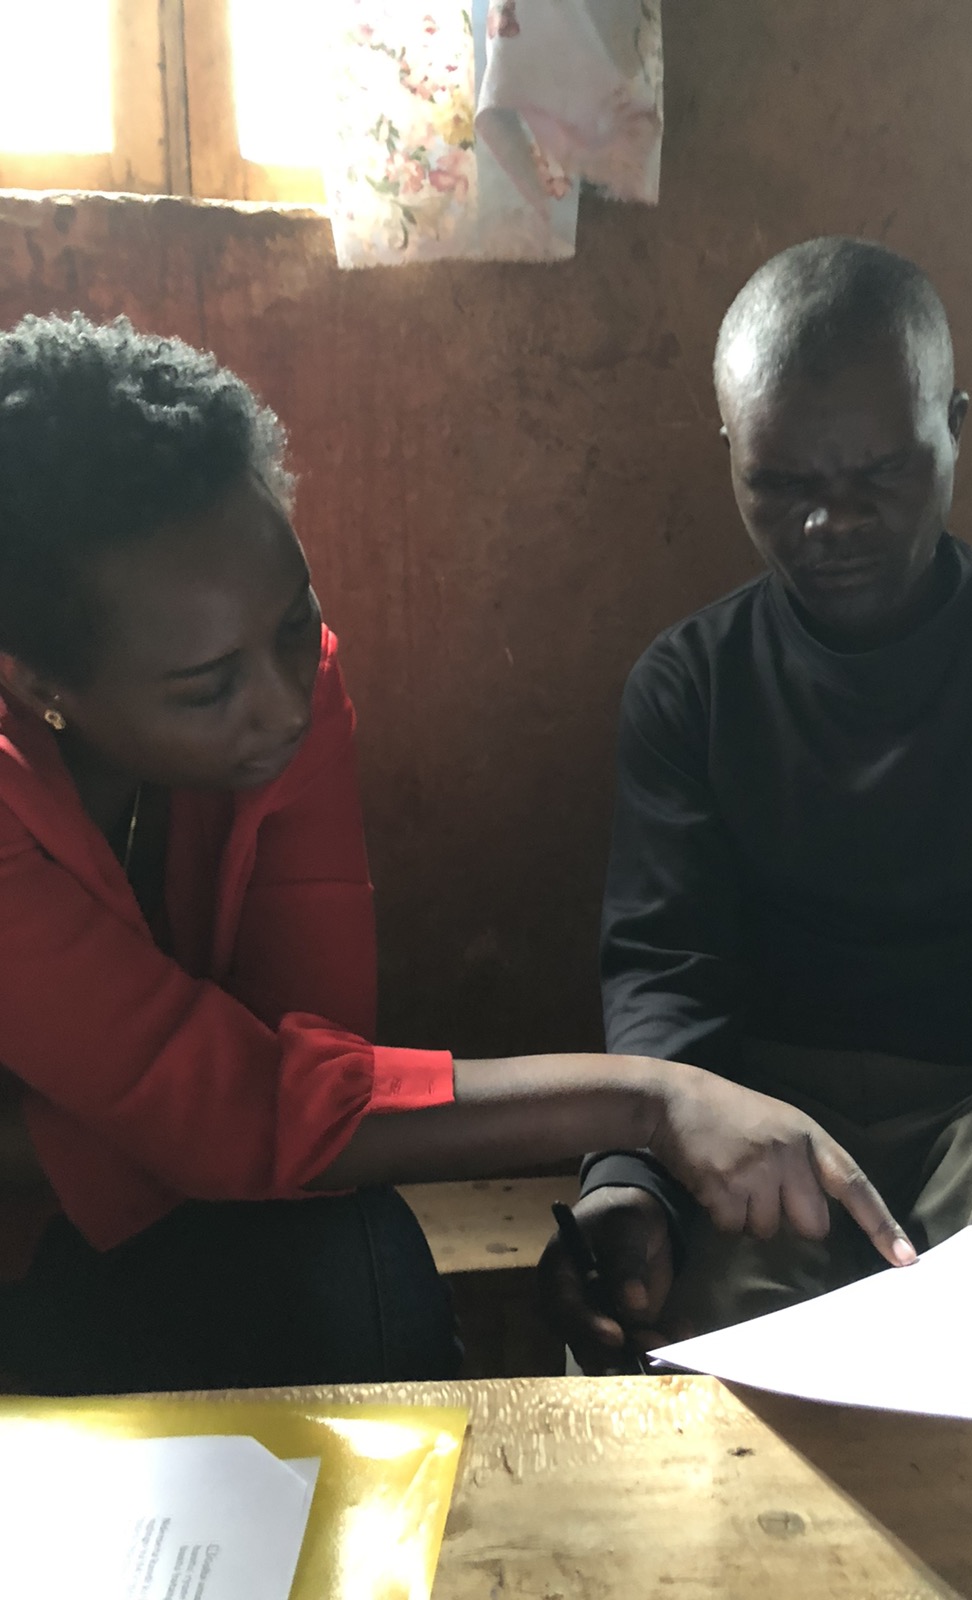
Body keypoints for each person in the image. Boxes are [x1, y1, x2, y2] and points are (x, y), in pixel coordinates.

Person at [0, 312, 916, 1395]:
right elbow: (249, 1109)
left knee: (366, 1266)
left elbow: (307, 1065)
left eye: (294, 623)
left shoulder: (288, 700)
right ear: (36, 682)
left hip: (147, 1205)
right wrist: (647, 1102)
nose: (288, 701)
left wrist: (97, 1133)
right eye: (208, 688)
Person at [541, 237, 972, 1373]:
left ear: (955, 427)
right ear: (732, 454)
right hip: (761, 1119)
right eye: (783, 484)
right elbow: (667, 971)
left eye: (880, 475)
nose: (829, 524)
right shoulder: (691, 688)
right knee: (663, 1346)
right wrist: (636, 1173)